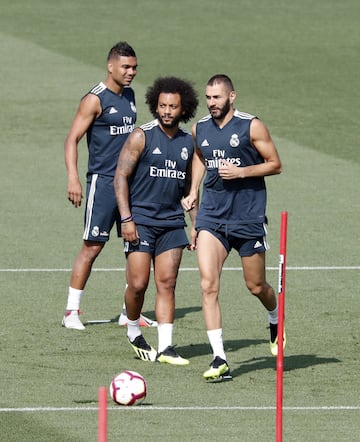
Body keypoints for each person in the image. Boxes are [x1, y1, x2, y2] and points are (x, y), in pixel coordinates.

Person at [182, 74, 284, 381]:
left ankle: (275, 318)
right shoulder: (200, 127)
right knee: (207, 284)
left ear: (232, 96)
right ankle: (219, 358)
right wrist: (193, 189)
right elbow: (200, 155)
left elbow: (275, 164)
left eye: (217, 98)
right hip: (212, 217)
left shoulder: (251, 126)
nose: (212, 103)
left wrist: (243, 172)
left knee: (256, 287)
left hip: (248, 218)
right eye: (209, 98)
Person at [62, 41, 155, 330]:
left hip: (130, 185)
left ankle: (130, 312)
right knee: (92, 246)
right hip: (102, 184)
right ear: (110, 66)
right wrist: (74, 177)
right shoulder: (95, 99)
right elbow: (71, 139)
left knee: (135, 246)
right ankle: (71, 313)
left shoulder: (129, 95)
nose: (131, 72)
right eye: (126, 67)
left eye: (135, 67)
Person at [114, 76, 199, 365]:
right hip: (140, 220)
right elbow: (120, 177)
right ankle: (134, 331)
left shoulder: (190, 142)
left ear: (183, 108)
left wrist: (195, 223)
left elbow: (190, 189)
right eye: (162, 105)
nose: (166, 111)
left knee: (167, 282)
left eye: (172, 106)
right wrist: (126, 218)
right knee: (138, 284)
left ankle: (166, 347)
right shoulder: (142, 136)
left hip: (172, 222)